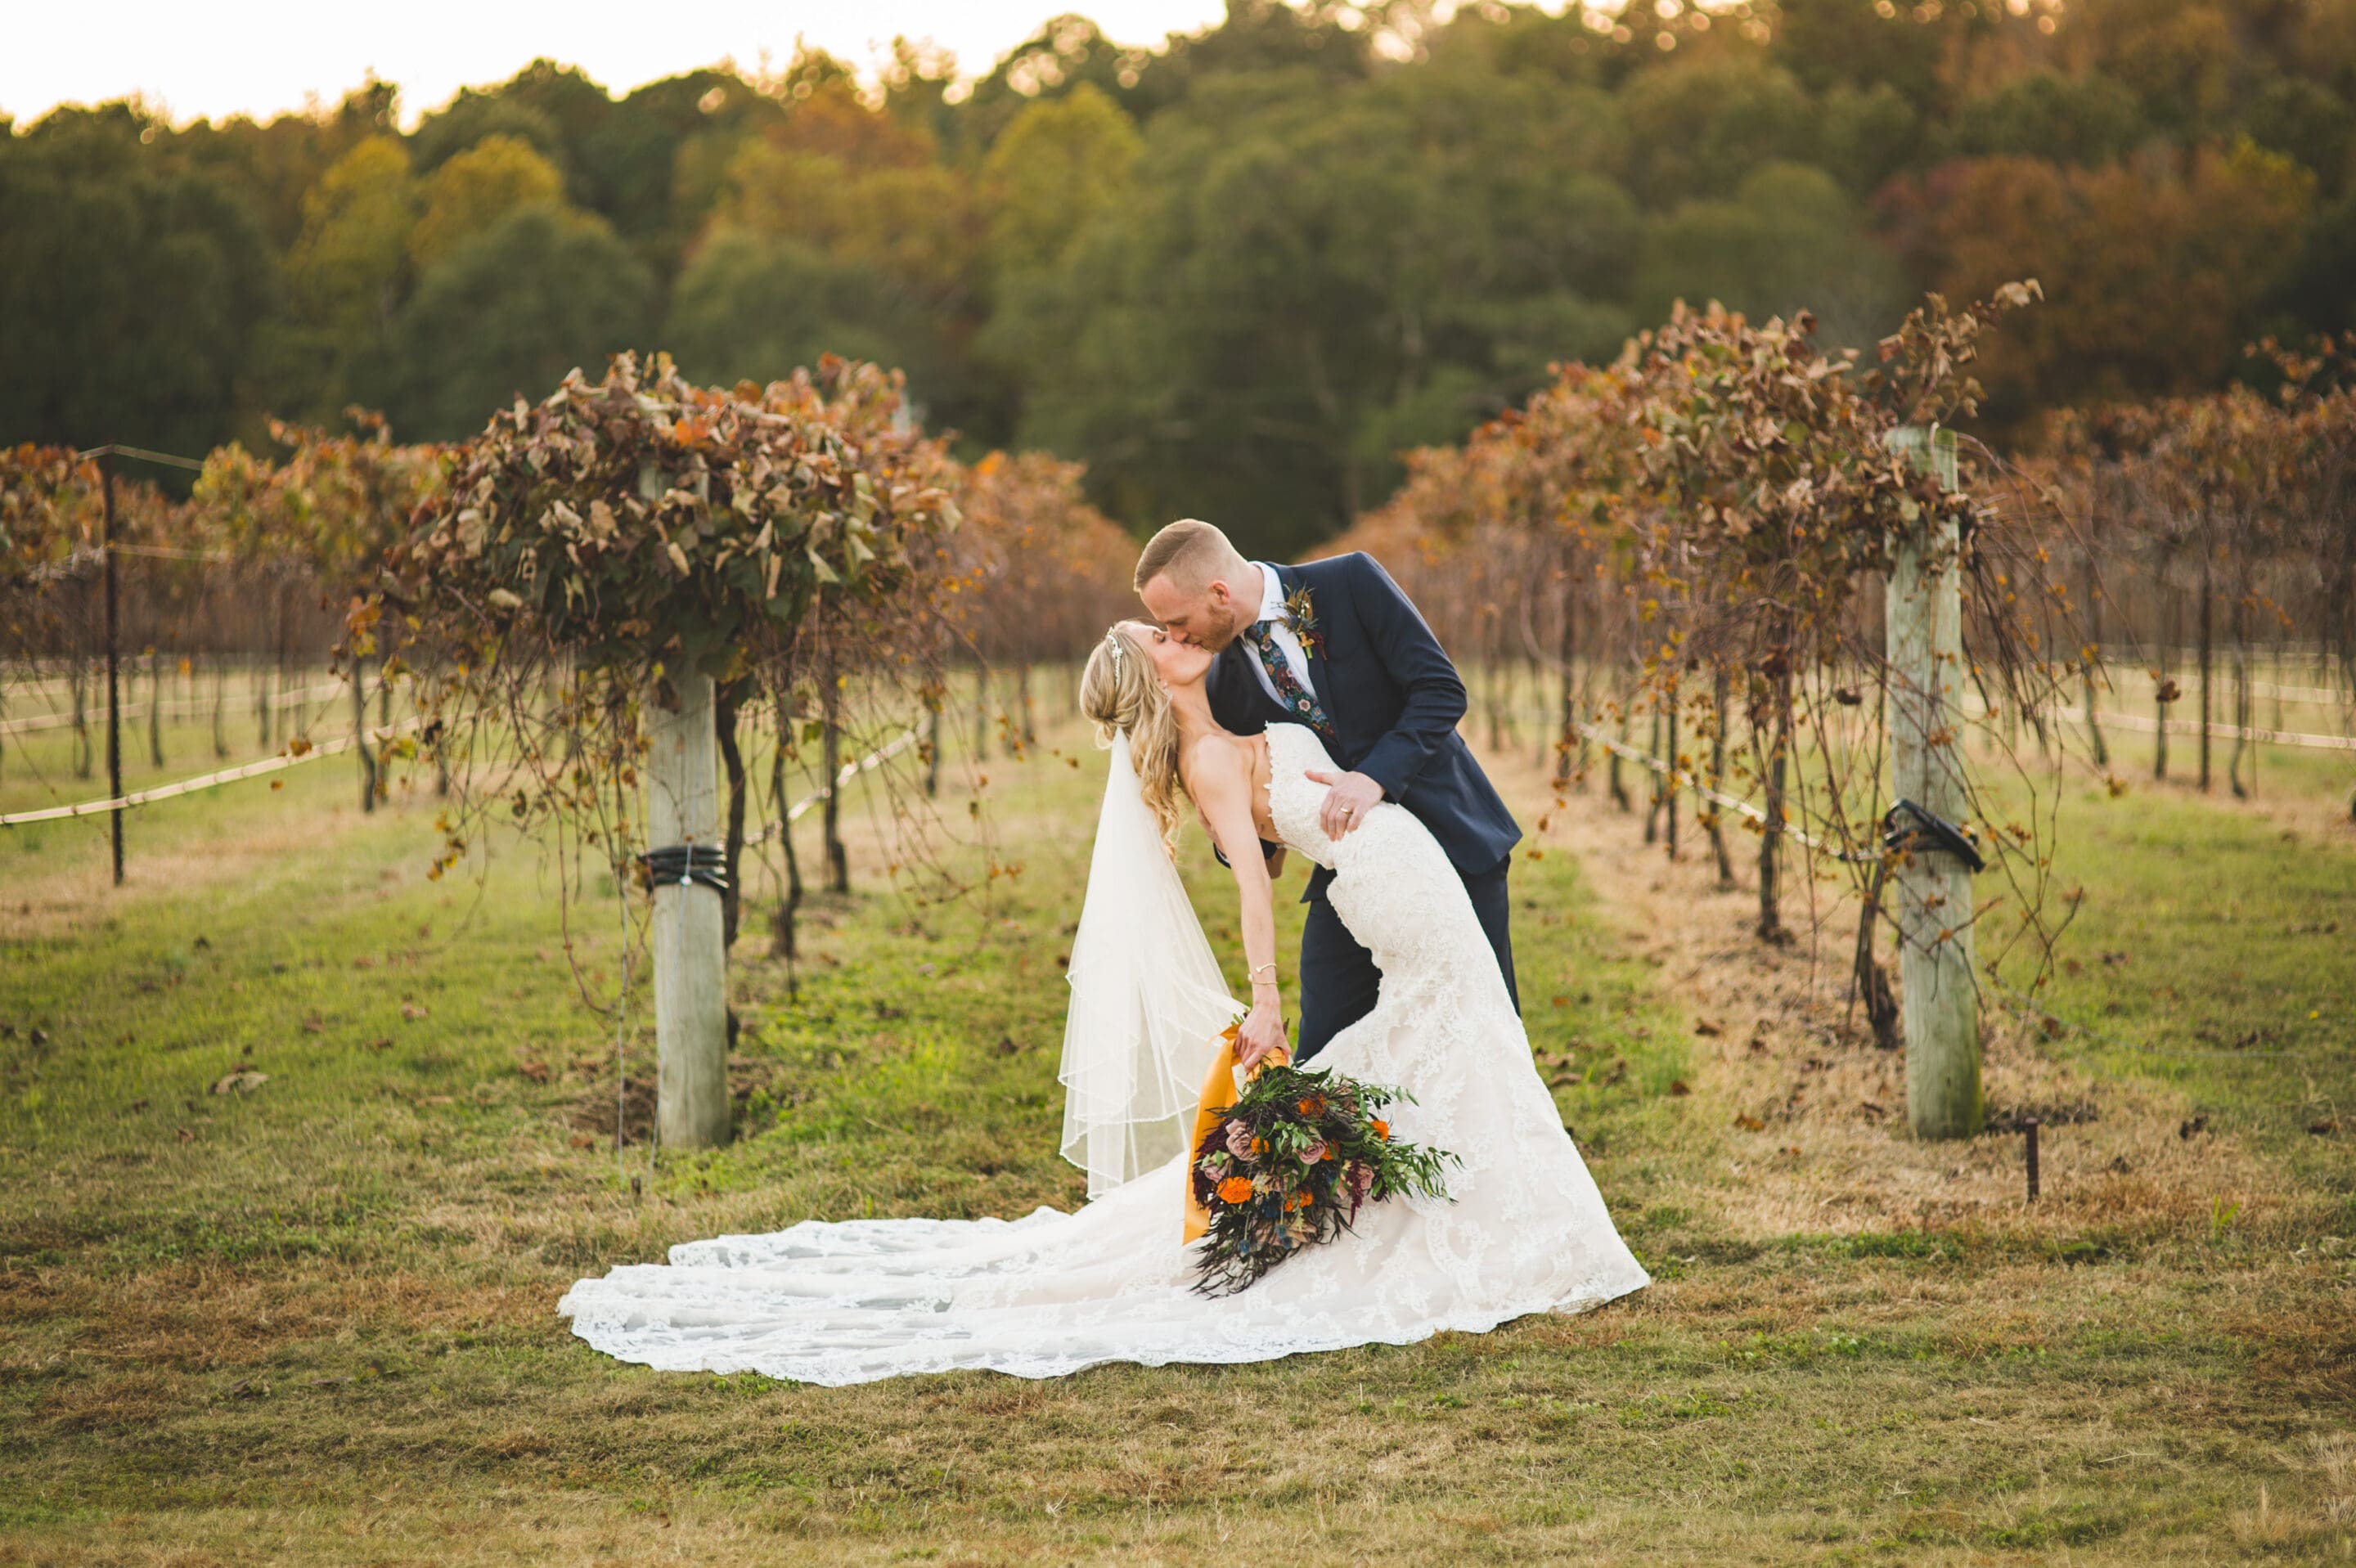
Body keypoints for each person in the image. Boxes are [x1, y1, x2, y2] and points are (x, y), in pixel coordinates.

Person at [556, 593, 1648, 1386]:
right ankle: (1518, 1228)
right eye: (1159, 639)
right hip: (1386, 884)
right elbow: (1256, 898)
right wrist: (1263, 1000)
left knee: (1442, 1038)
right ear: (1152, 677)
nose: (1177, 637)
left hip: (1399, 869)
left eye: (1171, 627)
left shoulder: (1220, 718)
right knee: (1455, 1027)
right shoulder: (1208, 759)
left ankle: (1485, 1212)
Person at [1134, 519, 1522, 1063]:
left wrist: (1374, 776)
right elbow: (1264, 830)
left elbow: (1440, 690)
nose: (1176, 637)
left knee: (1484, 1032)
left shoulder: (1349, 583)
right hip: (1349, 872)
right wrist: (1229, 834)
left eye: (1177, 622)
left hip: (1454, 834)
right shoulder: (1222, 685)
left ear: (1219, 593)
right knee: (1320, 1055)